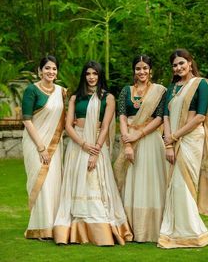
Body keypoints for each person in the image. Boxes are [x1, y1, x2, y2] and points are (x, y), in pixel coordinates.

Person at [53, 61, 133, 246]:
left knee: (95, 182)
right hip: (78, 144)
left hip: (97, 144)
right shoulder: (75, 98)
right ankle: (76, 230)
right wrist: (83, 144)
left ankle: (101, 230)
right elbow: (67, 125)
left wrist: (95, 150)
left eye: (95, 74)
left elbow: (105, 126)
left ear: (99, 76)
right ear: (84, 76)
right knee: (77, 183)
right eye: (88, 73)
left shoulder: (108, 98)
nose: (91, 77)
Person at [158, 48, 208, 248]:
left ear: (190, 62)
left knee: (183, 184)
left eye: (182, 63)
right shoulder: (172, 88)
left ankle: (192, 232)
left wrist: (175, 136)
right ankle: (175, 231)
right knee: (174, 186)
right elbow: (166, 116)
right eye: (175, 65)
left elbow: (200, 116)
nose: (178, 67)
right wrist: (168, 142)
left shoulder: (201, 84)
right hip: (173, 141)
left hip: (191, 140)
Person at [114, 55, 167, 242]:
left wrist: (139, 134)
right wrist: (128, 143)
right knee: (130, 181)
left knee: (150, 182)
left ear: (150, 70)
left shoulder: (159, 91)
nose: (142, 72)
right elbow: (121, 117)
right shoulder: (125, 91)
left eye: (145, 68)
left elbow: (160, 118)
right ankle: (130, 228)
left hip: (151, 141)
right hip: (129, 139)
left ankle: (151, 230)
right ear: (133, 71)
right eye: (138, 68)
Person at [22, 55, 66, 239]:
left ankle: (52, 226)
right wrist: (41, 147)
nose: (51, 72)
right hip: (35, 143)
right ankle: (39, 227)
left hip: (55, 144)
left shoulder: (62, 92)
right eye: (47, 68)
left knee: (54, 182)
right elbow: (27, 120)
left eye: (54, 69)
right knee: (40, 182)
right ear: (40, 71)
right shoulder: (31, 90)